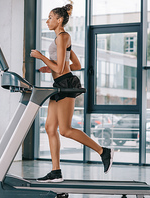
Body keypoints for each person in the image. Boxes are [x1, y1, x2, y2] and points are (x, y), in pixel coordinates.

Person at [30, 3, 114, 183]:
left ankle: (103, 151)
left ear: (59, 20)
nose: (47, 21)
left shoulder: (62, 37)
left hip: (66, 83)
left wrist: (42, 57)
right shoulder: (61, 39)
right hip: (59, 82)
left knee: (65, 130)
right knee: (50, 128)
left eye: (50, 18)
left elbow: (61, 67)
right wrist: (49, 68)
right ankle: (56, 171)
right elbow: (74, 65)